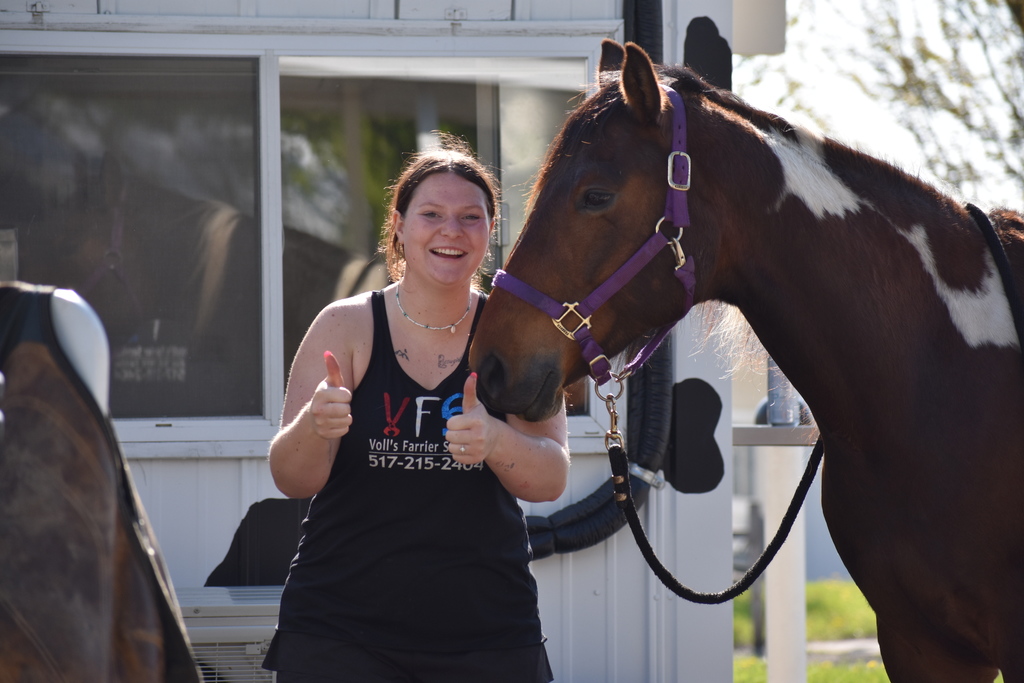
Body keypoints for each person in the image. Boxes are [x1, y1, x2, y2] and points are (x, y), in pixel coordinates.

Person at [262, 135, 570, 683]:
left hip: (488, 633)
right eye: (431, 214)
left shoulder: (516, 335)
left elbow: (550, 478)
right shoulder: (346, 326)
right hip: (340, 632)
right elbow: (291, 477)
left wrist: (496, 442)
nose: (450, 231)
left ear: (490, 233)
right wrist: (315, 425)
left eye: (470, 218)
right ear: (399, 225)